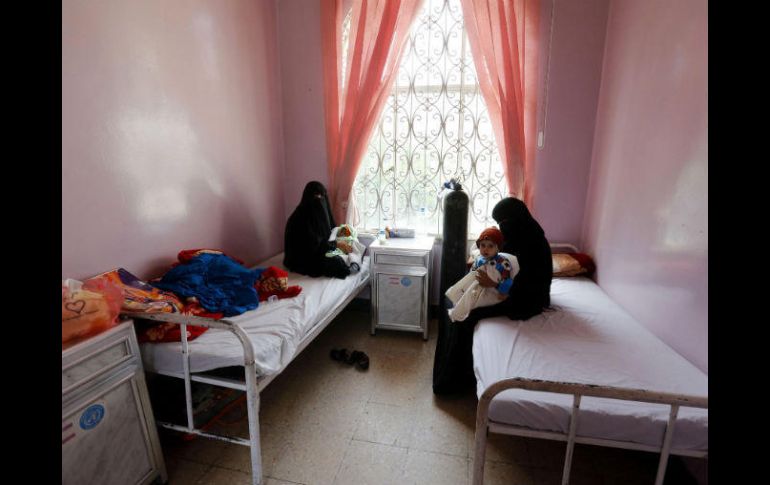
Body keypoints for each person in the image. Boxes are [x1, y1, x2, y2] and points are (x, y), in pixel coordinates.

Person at [433, 197, 553, 394]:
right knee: (457, 300)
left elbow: (526, 287)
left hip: (526, 300)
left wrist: (493, 284)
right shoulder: (518, 235)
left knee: (468, 315)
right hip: (509, 290)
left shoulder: (534, 245)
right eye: (499, 223)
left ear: (515, 219)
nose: (502, 227)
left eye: (503, 222)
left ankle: (458, 380)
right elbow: (500, 259)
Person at [445, 227, 519, 322]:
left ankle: (471, 306)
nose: (485, 249)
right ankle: (463, 302)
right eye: (483, 245)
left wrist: (503, 292)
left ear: (498, 248)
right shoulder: (479, 259)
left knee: (475, 305)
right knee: (469, 286)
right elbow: (472, 274)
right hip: (477, 286)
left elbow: (506, 279)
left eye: (490, 246)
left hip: (492, 290)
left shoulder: (502, 262)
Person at [284, 181, 356, 279]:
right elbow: (310, 245)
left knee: (346, 248)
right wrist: (331, 249)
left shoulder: (318, 213)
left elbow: (328, 235)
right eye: (316, 196)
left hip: (318, 250)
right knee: (336, 263)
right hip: (303, 257)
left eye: (322, 196)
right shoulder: (297, 218)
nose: (320, 199)